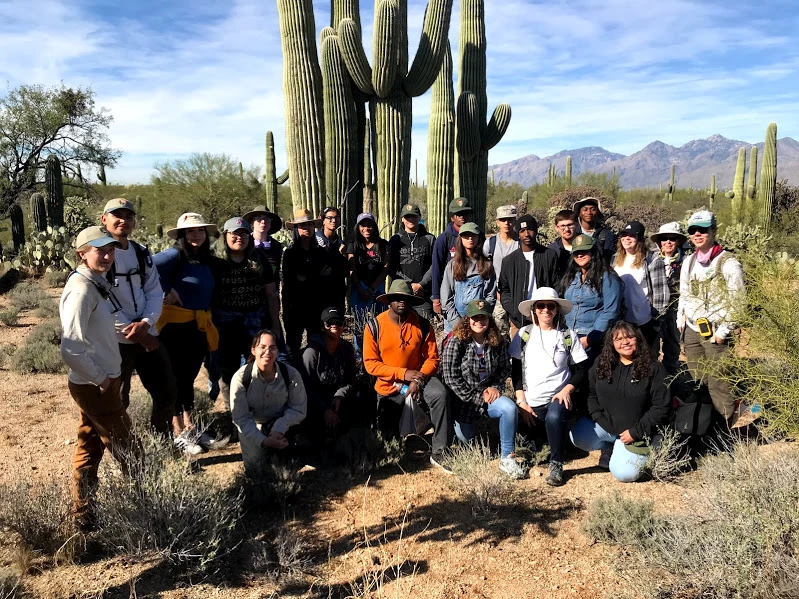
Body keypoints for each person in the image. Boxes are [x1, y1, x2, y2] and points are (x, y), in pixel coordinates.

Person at [60, 226, 141, 530]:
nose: (107, 256)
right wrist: (102, 380)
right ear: (82, 254)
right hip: (96, 386)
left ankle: (84, 515)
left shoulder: (94, 282)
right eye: (99, 251)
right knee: (131, 453)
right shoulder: (81, 290)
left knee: (89, 447)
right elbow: (70, 349)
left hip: (99, 383)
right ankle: (150, 511)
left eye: (110, 251)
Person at [154, 213, 228, 455]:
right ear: (182, 236)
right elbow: (147, 266)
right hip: (174, 328)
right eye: (190, 231)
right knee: (176, 378)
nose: (196, 235)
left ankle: (191, 427)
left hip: (198, 326)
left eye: (200, 230)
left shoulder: (205, 259)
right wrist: (168, 289)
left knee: (188, 377)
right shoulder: (174, 255)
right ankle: (178, 432)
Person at [101, 198, 175, 437]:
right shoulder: (100, 253)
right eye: (117, 215)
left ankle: (162, 442)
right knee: (117, 398)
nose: (123, 220)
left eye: (129, 216)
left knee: (166, 391)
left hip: (147, 332)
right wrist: (135, 332)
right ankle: (121, 448)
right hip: (116, 340)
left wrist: (146, 322)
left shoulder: (141, 253)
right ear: (104, 219)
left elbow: (153, 290)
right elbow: (101, 298)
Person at [362, 280, 453, 472]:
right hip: (388, 386)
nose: (401, 302)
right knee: (388, 441)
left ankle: (440, 450)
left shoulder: (422, 325)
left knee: (439, 394)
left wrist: (418, 379)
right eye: (397, 298)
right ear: (389, 301)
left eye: (405, 298)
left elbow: (432, 359)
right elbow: (370, 364)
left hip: (418, 379)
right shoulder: (374, 326)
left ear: (411, 301)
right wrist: (403, 373)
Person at [570, 321, 672, 482]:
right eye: (618, 339)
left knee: (624, 474)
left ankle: (630, 450)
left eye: (630, 337)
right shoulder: (602, 363)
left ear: (638, 338)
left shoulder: (654, 368)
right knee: (578, 437)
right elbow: (590, 394)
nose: (625, 342)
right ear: (612, 342)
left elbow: (661, 407)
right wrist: (599, 418)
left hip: (637, 433)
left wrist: (636, 432)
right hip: (607, 426)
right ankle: (609, 446)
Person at [509, 287, 588, 487]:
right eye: (541, 306)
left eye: (550, 306)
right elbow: (516, 371)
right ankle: (546, 443)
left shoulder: (567, 335)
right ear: (534, 310)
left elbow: (580, 371)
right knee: (523, 435)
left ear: (557, 309)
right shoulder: (524, 335)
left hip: (557, 397)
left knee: (554, 417)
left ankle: (556, 463)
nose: (546, 310)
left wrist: (566, 390)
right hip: (531, 402)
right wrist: (521, 402)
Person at [442, 300, 525, 479]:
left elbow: (504, 368)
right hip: (464, 401)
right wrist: (478, 397)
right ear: (468, 319)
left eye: (484, 317)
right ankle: (456, 434)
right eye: (475, 317)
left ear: (489, 319)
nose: (479, 321)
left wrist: (495, 387)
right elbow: (451, 378)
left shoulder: (497, 341)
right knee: (467, 444)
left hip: (489, 395)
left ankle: (508, 457)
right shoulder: (456, 341)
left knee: (509, 408)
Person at [677, 210, 745, 425]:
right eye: (693, 230)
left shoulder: (728, 263)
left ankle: (724, 425)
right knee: (698, 380)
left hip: (716, 331)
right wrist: (681, 319)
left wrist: (723, 332)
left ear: (713, 231)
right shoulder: (689, 261)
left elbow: (738, 302)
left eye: (703, 229)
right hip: (692, 328)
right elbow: (684, 293)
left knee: (719, 381)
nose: (697, 234)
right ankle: (705, 423)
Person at [211, 217, 282, 417]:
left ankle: (256, 411)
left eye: (243, 234)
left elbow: (271, 294)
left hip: (254, 322)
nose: (239, 238)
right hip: (224, 325)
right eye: (234, 234)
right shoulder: (215, 261)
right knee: (228, 369)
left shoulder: (258, 259)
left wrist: (275, 326)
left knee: (256, 366)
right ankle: (233, 412)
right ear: (225, 236)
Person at [230, 330, 307, 478]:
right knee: (257, 472)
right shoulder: (241, 378)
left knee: (289, 466)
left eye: (272, 348)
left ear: (277, 351)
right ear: (253, 350)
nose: (267, 352)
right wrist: (264, 441)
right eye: (262, 347)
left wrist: (278, 429)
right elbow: (241, 418)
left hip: (282, 425)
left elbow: (298, 408)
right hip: (253, 427)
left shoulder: (291, 375)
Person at [558, 234, 623, 366]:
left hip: (594, 340)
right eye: (576, 252)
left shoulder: (607, 276)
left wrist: (589, 339)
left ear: (593, 252)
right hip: (569, 336)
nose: (580, 255)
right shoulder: (572, 277)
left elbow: (611, 311)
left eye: (584, 251)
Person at [299, 307, 359, 438]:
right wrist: (324, 410)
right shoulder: (311, 352)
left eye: (339, 322)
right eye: (330, 322)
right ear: (323, 326)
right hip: (315, 403)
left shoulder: (347, 348)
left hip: (338, 400)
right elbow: (306, 389)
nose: (334, 326)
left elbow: (351, 380)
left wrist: (339, 396)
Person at [282, 209, 334, 360]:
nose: (307, 228)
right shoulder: (290, 254)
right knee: (292, 345)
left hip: (316, 306)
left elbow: (325, 277)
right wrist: (316, 276)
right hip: (294, 307)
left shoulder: (321, 253)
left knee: (316, 343)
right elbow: (291, 279)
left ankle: (312, 373)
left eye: (310, 225)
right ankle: (292, 372)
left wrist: (307, 278)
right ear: (296, 228)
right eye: (303, 225)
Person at [611, 221, 669, 355]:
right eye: (624, 235)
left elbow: (660, 294)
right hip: (622, 320)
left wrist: (656, 322)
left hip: (644, 321)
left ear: (640, 238)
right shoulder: (615, 259)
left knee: (647, 357)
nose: (627, 238)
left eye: (631, 235)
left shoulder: (651, 259)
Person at [497, 214, 559, 338]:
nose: (527, 234)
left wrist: (549, 309)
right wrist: (515, 311)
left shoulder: (549, 255)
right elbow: (504, 290)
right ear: (518, 233)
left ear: (536, 231)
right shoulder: (509, 261)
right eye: (522, 231)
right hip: (518, 321)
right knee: (519, 350)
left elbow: (557, 284)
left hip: (546, 317)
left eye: (530, 229)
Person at [440, 223, 496, 332]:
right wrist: (457, 322)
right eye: (466, 235)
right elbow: (446, 297)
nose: (470, 238)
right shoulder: (452, 265)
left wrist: (481, 319)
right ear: (460, 238)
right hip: (454, 323)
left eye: (473, 235)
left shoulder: (487, 265)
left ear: (478, 238)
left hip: (478, 323)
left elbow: (490, 296)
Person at [650, 222, 688, 374]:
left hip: (675, 308)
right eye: (664, 239)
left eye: (672, 238)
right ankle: (652, 376)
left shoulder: (686, 261)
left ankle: (670, 377)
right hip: (653, 308)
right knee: (651, 345)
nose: (668, 242)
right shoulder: (650, 258)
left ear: (678, 241)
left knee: (672, 345)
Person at [388, 204, 437, 319]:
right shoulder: (395, 239)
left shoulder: (429, 239)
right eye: (407, 217)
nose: (410, 219)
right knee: (399, 325)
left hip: (423, 294)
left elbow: (434, 265)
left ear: (419, 217)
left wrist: (421, 284)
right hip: (401, 295)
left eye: (414, 216)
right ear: (402, 219)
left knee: (424, 326)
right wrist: (408, 285)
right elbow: (391, 267)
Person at [431, 197, 473, 316]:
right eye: (458, 214)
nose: (462, 217)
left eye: (465, 213)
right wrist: (436, 298)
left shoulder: (478, 236)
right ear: (452, 217)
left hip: (474, 291)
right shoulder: (444, 239)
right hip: (451, 293)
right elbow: (436, 269)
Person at [483, 205, 519, 335]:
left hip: (518, 293)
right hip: (498, 293)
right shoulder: (490, 243)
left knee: (518, 330)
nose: (506, 223)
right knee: (499, 330)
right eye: (503, 220)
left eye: (510, 219)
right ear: (497, 222)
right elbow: (485, 269)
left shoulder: (521, 242)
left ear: (514, 221)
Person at [347, 212, 389, 317]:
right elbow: (352, 269)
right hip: (359, 287)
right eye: (363, 225)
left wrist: (372, 289)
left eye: (369, 225)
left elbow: (385, 268)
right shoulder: (353, 246)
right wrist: (361, 289)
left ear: (374, 227)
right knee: (359, 319)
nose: (366, 228)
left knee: (381, 318)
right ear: (358, 227)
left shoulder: (384, 245)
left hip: (378, 286)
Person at [315, 206, 349, 313]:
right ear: (323, 220)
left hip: (337, 294)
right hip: (318, 293)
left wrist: (344, 256)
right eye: (330, 218)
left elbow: (346, 272)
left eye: (336, 218)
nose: (333, 221)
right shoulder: (315, 241)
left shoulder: (341, 244)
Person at [572, 197, 617, 263]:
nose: (589, 212)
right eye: (585, 210)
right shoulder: (573, 234)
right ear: (579, 213)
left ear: (598, 212)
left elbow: (608, 260)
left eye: (593, 209)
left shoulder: (607, 235)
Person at [243, 205, 284, 277]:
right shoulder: (244, 243)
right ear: (252, 223)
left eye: (267, 219)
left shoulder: (277, 246)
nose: (263, 221)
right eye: (258, 218)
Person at [548, 209, 579, 278]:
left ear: (577, 225)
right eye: (562, 226)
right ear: (556, 228)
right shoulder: (551, 251)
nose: (567, 229)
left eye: (570, 225)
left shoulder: (588, 246)